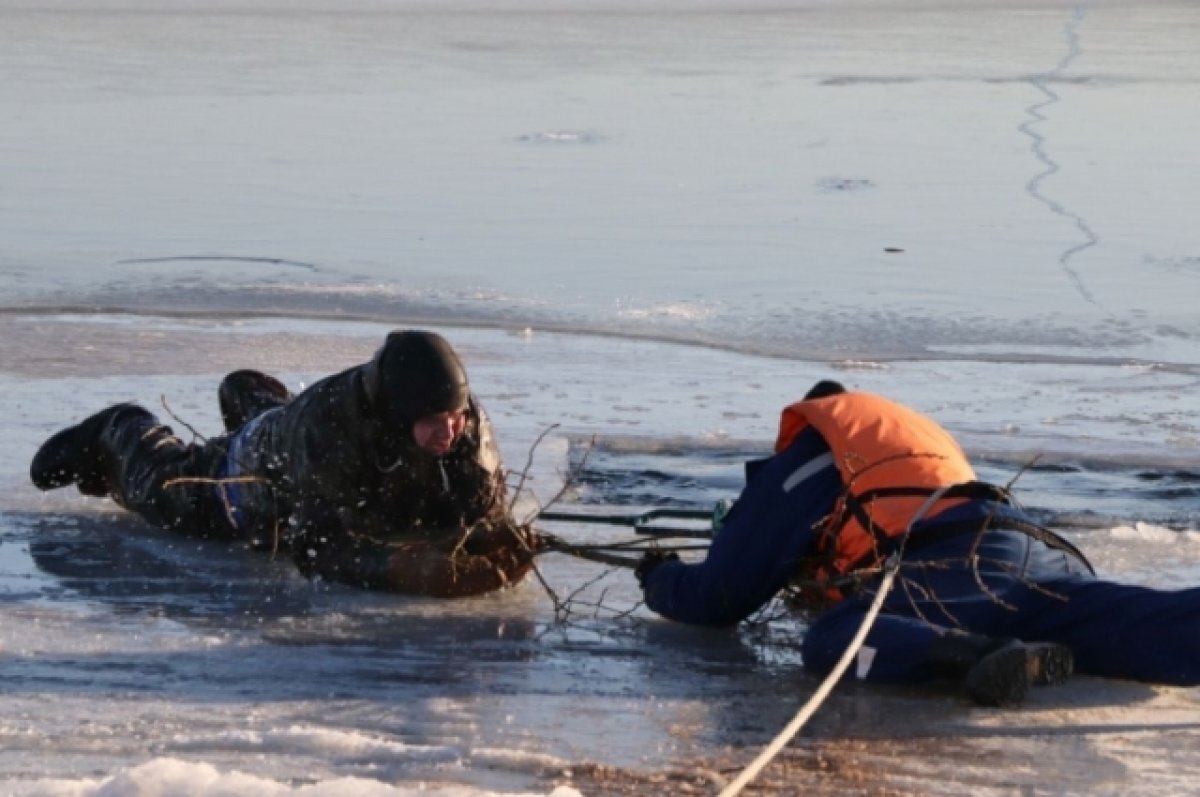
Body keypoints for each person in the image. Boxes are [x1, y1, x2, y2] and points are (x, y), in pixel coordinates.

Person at [636, 381, 1200, 707]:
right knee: (1135, 626)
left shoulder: (813, 455)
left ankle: (974, 655)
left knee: (832, 638)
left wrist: (658, 576)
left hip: (957, 569)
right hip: (1032, 549)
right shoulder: (904, 446)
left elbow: (718, 597)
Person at [30, 329, 540, 597]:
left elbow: (482, 516)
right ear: (396, 411)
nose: (450, 431)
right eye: (434, 420)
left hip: (304, 443)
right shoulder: (330, 429)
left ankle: (253, 398)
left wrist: (493, 542)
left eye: (455, 416)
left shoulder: (466, 430)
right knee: (172, 498)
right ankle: (120, 426)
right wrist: (408, 572)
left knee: (281, 425)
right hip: (252, 483)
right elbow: (315, 550)